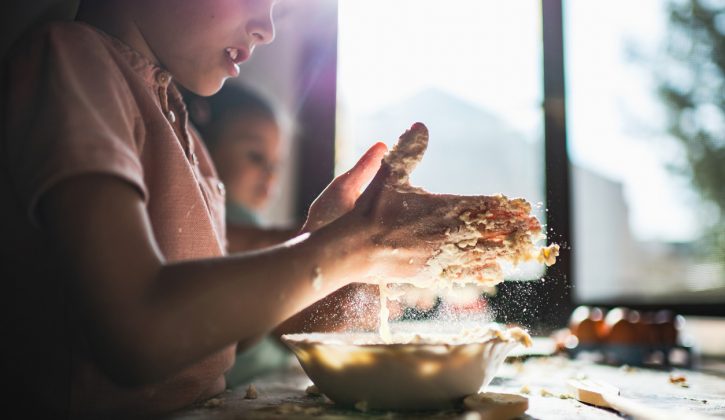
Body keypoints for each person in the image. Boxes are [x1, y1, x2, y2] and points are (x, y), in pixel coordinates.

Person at [0, 0, 451, 417]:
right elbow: (138, 334)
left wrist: (319, 239)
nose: (267, 28)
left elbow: (213, 341)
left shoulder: (188, 137)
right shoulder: (73, 60)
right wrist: (344, 249)